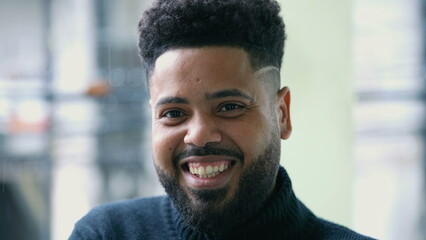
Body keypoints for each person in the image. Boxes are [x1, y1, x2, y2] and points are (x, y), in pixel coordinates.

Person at [70, 0, 375, 239]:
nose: (199, 135)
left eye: (229, 107)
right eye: (173, 114)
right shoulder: (105, 233)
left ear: (281, 114)